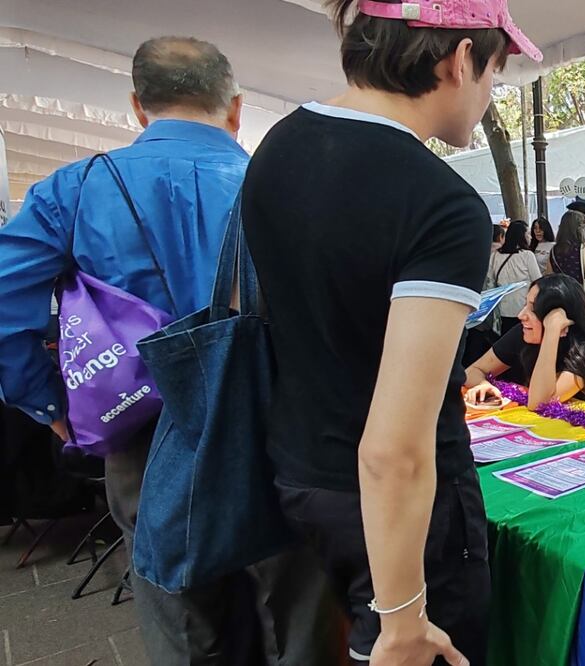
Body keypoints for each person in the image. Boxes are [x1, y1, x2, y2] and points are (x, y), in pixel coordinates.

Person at [0, 36, 335, 664]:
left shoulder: (75, 189)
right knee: (297, 617)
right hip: (283, 428)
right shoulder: (289, 185)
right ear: (235, 108)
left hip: (143, 434)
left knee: (184, 624)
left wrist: (48, 404)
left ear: (137, 105)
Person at [241, 1, 541, 663]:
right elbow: (394, 448)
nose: (489, 95)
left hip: (299, 474)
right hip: (398, 517)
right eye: (493, 73)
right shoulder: (439, 201)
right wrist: (403, 612)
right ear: (461, 57)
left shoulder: (278, 147)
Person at [465, 274, 585, 405]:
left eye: (533, 309)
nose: (521, 315)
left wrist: (552, 331)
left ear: (557, 316)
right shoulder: (523, 331)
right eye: (525, 305)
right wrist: (482, 384)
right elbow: (473, 371)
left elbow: (540, 403)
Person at [488, 220, 543, 334]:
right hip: (524, 308)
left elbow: (490, 282)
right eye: (528, 234)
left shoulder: (495, 255)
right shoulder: (527, 255)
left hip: (502, 309)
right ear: (521, 236)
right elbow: (538, 282)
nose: (530, 237)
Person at [549, 210, 585, 294]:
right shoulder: (583, 248)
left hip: (560, 296)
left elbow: (549, 276)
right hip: (580, 296)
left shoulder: (553, 251)